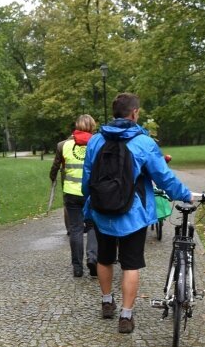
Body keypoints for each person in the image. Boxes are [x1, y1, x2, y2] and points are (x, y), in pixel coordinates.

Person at [82, 93, 191, 333]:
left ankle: (106, 301)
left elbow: (87, 178)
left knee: (104, 258)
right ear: (134, 113)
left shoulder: (96, 141)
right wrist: (185, 194)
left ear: (114, 114)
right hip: (133, 214)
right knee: (131, 264)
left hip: (102, 212)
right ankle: (126, 315)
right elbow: (163, 177)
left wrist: (90, 204)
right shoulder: (144, 142)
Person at [49, 114, 99, 277]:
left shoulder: (63, 145)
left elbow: (55, 167)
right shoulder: (97, 144)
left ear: (76, 126)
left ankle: (77, 267)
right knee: (92, 226)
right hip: (91, 193)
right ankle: (93, 258)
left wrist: (53, 178)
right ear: (92, 126)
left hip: (71, 193)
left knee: (76, 229)